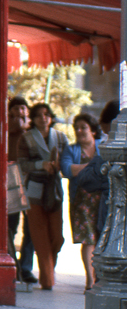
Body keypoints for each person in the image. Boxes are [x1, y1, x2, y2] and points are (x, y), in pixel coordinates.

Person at [17, 102, 68, 290]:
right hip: (35, 188)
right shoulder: (26, 138)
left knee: (57, 236)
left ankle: (48, 272)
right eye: (38, 115)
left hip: (54, 188)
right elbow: (22, 164)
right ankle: (47, 280)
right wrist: (41, 165)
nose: (43, 118)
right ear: (33, 119)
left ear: (51, 117)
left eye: (46, 114)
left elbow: (67, 160)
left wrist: (58, 166)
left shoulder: (60, 137)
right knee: (39, 235)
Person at [61, 113, 103, 291]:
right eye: (76, 128)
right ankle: (90, 279)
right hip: (81, 201)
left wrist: (82, 168)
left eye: (83, 127)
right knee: (88, 240)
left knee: (102, 238)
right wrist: (94, 166)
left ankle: (100, 277)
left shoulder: (103, 145)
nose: (79, 131)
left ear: (93, 130)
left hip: (102, 199)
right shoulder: (71, 150)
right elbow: (67, 170)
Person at [7, 95, 36, 284]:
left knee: (31, 226)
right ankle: (12, 264)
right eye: (16, 108)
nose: (20, 112)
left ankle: (26, 267)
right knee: (11, 224)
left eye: (23, 108)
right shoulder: (7, 128)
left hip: (30, 178)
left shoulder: (33, 132)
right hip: (11, 177)